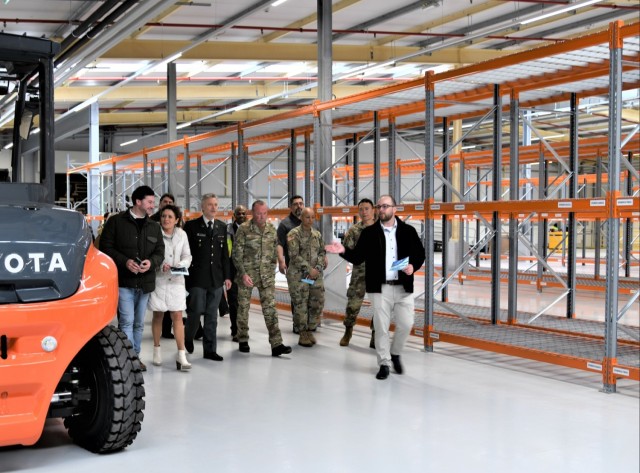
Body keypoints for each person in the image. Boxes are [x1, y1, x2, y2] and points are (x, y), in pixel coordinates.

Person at [326, 195, 425, 380]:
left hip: (403, 287)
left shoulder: (408, 231)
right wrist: (343, 251)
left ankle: (395, 352)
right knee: (381, 327)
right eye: (379, 206)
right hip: (379, 288)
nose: (381, 210)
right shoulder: (369, 233)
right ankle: (384, 363)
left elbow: (419, 253)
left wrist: (413, 266)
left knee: (406, 324)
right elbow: (357, 257)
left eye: (385, 206)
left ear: (395, 209)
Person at [99, 185, 165, 371]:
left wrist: (151, 263)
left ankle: (135, 356)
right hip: (124, 282)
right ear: (138, 202)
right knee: (126, 321)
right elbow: (106, 248)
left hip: (144, 283)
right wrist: (125, 261)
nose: (153, 205)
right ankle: (127, 360)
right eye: (150, 202)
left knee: (138, 323)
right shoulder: (116, 222)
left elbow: (160, 251)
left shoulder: (154, 226)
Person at [232, 200, 292, 357]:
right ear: (252, 213)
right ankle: (243, 338)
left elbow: (275, 249)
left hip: (266, 276)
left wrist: (278, 263)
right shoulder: (244, 229)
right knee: (243, 308)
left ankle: (276, 344)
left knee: (271, 309)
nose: (261, 216)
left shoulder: (272, 229)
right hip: (247, 275)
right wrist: (243, 273)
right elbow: (236, 254)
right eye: (258, 213)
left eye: (264, 213)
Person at [183, 193, 231, 362]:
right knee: (195, 312)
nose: (213, 207)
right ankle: (187, 337)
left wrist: (227, 277)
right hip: (197, 277)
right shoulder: (191, 226)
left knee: (212, 315)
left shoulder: (221, 227)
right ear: (202, 207)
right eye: (210, 204)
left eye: (216, 204)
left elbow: (224, 254)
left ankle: (210, 350)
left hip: (216, 279)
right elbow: (186, 253)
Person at [148, 204, 193, 371]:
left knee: (177, 315)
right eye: (163, 216)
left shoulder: (182, 234)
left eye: (169, 217)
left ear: (177, 220)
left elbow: (187, 255)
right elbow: (151, 255)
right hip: (159, 280)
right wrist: (160, 265)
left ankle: (181, 354)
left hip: (176, 281)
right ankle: (156, 349)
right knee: (158, 314)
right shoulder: (154, 233)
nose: (166, 219)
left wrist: (179, 265)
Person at [286, 207, 326, 347]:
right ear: (301, 218)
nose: (310, 220)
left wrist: (317, 268)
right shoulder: (293, 234)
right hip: (298, 276)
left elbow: (322, 252)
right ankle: (302, 332)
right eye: (307, 217)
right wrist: (309, 269)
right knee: (301, 304)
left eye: (312, 217)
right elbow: (294, 255)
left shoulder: (317, 235)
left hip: (314, 275)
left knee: (317, 302)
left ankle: (309, 329)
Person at [339, 198, 376, 348]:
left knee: (380, 307)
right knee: (353, 304)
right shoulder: (354, 231)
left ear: (373, 210)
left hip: (377, 274)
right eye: (361, 209)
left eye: (367, 208)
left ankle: (376, 335)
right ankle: (348, 331)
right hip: (359, 273)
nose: (364, 212)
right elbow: (347, 251)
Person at [150, 192, 179, 340]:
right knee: (159, 309)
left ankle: (167, 331)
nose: (168, 204)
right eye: (165, 202)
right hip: (158, 272)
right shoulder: (153, 222)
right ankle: (157, 341)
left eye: (170, 202)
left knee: (174, 309)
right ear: (160, 204)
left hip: (175, 274)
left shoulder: (179, 227)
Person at [277, 195, 304, 332]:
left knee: (309, 293)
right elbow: (279, 244)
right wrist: (281, 261)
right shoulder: (285, 224)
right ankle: (298, 324)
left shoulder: (309, 221)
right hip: (294, 269)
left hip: (309, 269)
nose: (299, 206)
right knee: (297, 295)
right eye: (295, 204)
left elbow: (318, 240)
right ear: (290, 207)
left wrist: (323, 256)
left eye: (301, 203)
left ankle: (309, 322)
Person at [226, 204, 247, 342]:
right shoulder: (228, 230)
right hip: (233, 272)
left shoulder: (252, 230)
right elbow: (227, 252)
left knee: (244, 303)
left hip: (247, 273)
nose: (241, 216)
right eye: (238, 214)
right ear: (234, 216)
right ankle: (235, 330)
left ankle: (243, 329)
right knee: (233, 303)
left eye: (243, 213)